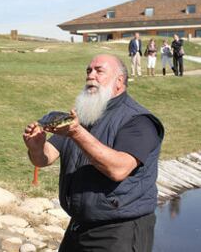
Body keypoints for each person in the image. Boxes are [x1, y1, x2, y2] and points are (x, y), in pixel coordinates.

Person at [23, 54, 164, 252]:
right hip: (78, 227)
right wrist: (36, 147)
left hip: (118, 232)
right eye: (88, 70)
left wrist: (77, 134)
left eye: (99, 71)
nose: (91, 75)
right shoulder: (84, 116)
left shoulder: (138, 121)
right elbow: (44, 158)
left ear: (119, 81)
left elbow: (118, 169)